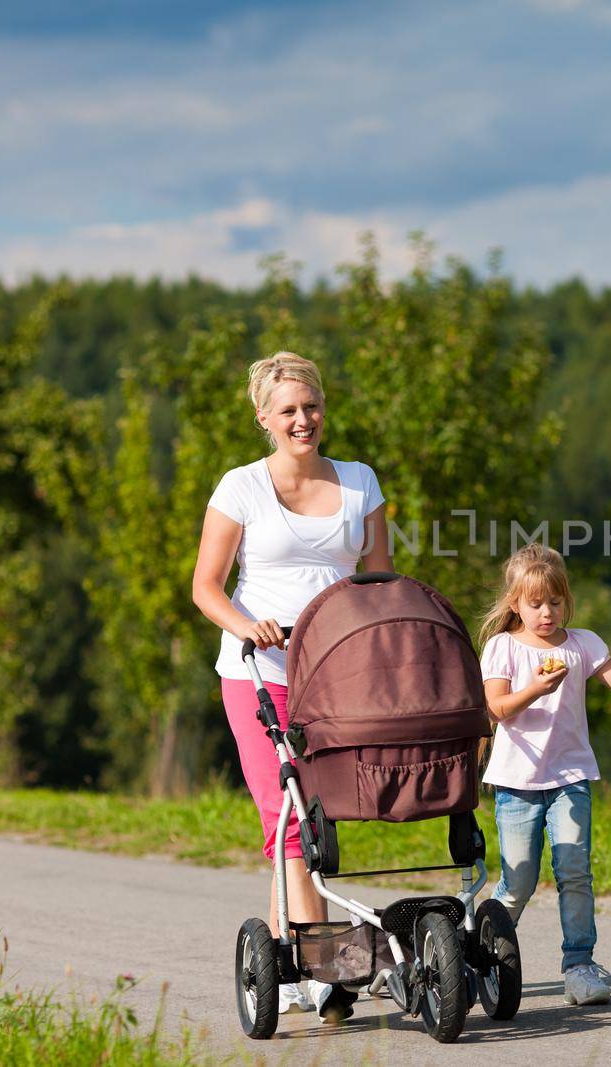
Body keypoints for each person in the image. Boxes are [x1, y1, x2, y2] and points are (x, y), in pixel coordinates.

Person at [191, 351, 392, 1024]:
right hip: (261, 674)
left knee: (320, 818)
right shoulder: (240, 487)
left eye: (311, 407)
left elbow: (380, 582)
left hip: (337, 677)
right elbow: (205, 587)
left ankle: (286, 956)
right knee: (289, 817)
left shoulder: (362, 482)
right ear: (264, 420)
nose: (303, 419)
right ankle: (330, 972)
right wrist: (251, 625)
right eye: (288, 411)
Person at [478, 543, 611, 1006]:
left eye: (555, 601)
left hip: (570, 776)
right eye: (535, 604)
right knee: (520, 879)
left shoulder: (583, 644)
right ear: (515, 603)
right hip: (517, 782)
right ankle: (480, 947)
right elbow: (496, 708)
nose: (547, 612)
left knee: (574, 872)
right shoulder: (502, 647)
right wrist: (535, 688)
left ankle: (579, 965)